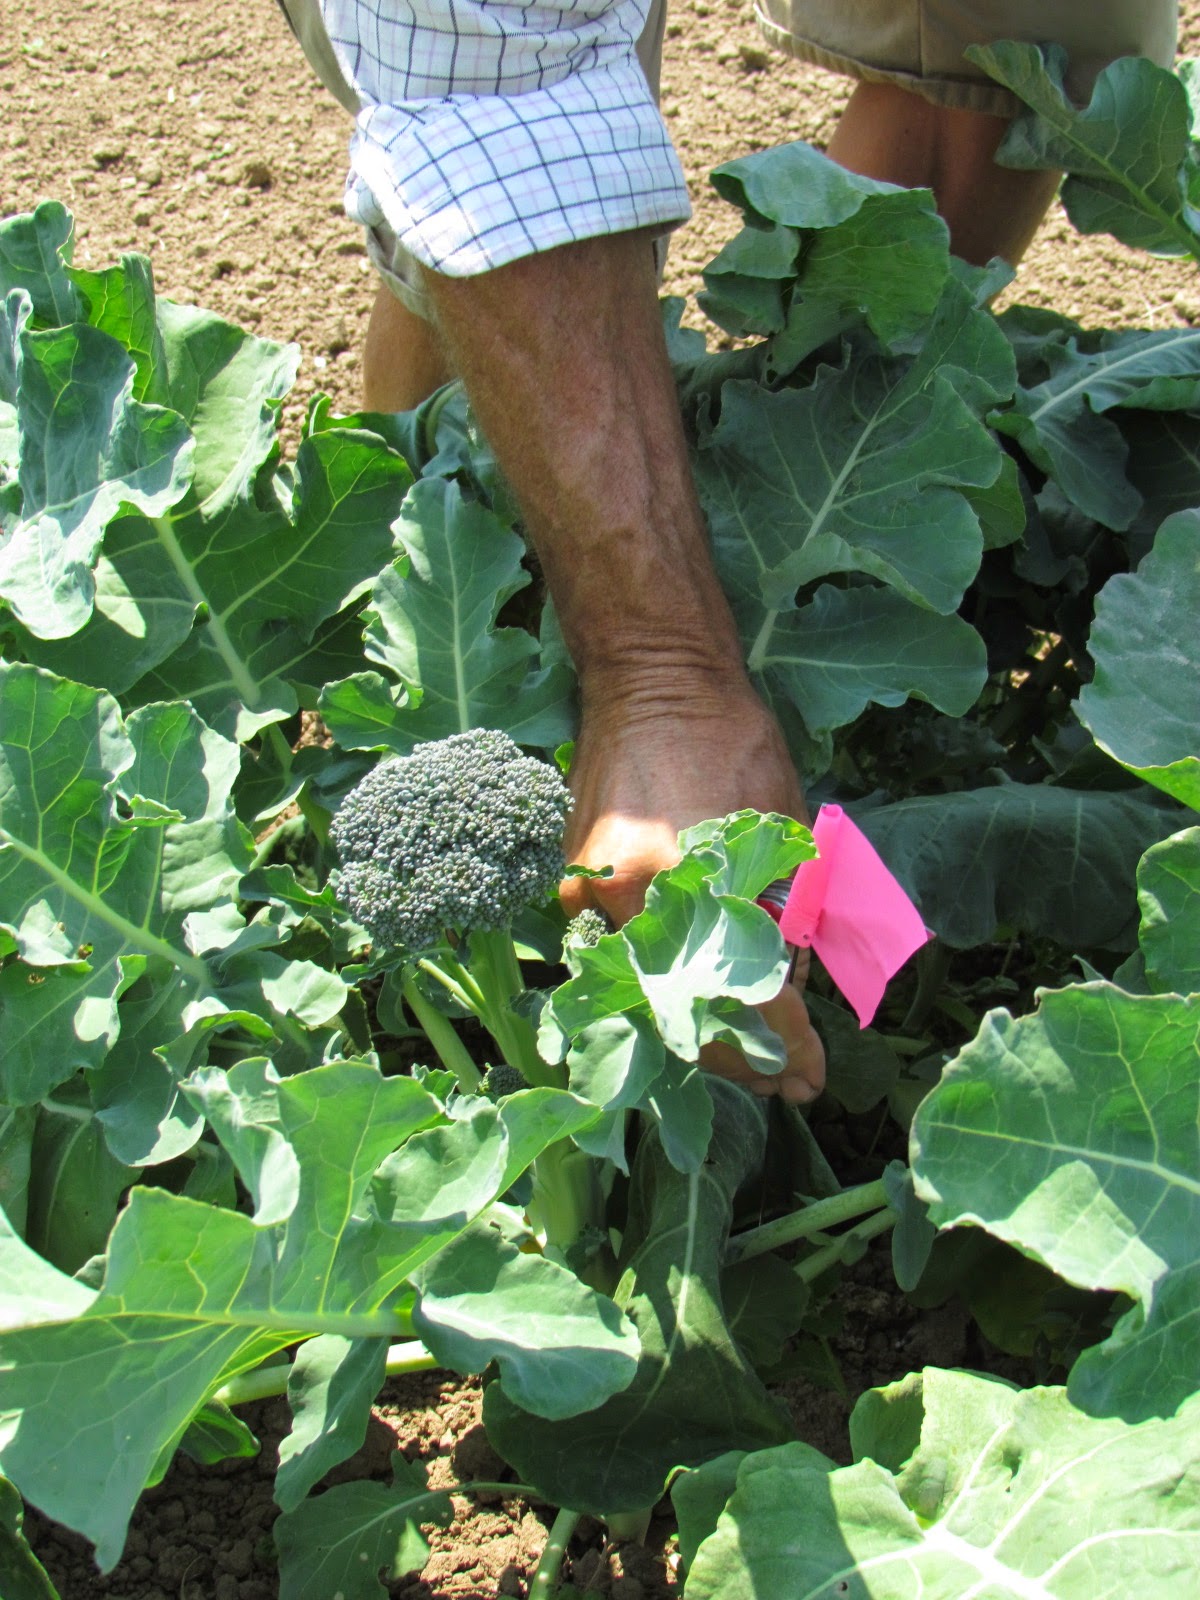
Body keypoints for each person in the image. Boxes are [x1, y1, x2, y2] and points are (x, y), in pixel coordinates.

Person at [278, 1, 1178, 1104]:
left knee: (1017, 35)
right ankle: (451, 593)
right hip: (484, 40)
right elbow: (490, 108)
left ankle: (845, 416)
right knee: (502, 200)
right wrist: (662, 677)